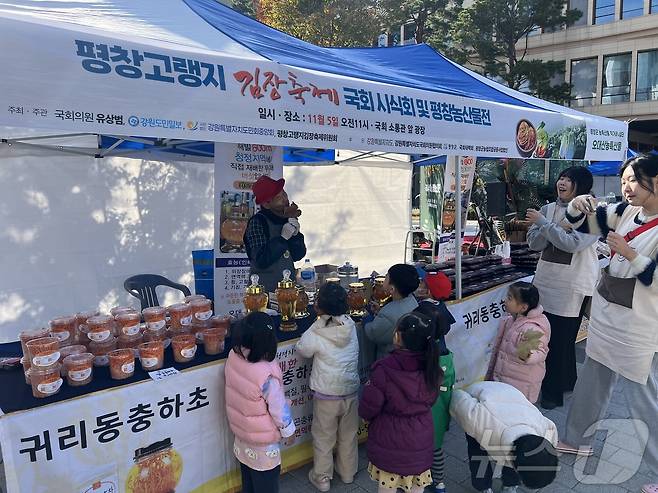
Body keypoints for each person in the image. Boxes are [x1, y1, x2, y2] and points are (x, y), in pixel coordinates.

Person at [557, 154, 658, 493]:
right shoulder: (625, 212)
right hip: (607, 319)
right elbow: (577, 224)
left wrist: (629, 254)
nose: (626, 187)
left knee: (644, 403)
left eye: (634, 180)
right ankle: (575, 439)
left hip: (640, 330)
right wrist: (577, 205)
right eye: (624, 180)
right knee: (592, 381)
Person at [525, 166, 599, 410]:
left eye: (569, 180)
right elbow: (534, 244)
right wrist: (553, 227)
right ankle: (566, 383)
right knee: (544, 336)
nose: (562, 182)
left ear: (582, 186)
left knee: (562, 341)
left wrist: (547, 225)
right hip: (546, 280)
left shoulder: (593, 213)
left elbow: (573, 244)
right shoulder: (547, 209)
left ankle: (553, 393)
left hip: (571, 285)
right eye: (561, 178)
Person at [359, 312, 442, 493]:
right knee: (416, 487)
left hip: (389, 439)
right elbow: (432, 399)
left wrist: (366, 418)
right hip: (421, 438)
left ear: (397, 336)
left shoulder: (384, 368)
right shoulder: (432, 366)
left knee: (387, 488)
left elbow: (369, 406)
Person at [295, 283, 360, 492]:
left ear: (319, 307)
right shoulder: (350, 325)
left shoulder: (317, 331)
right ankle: (348, 473)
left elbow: (302, 348)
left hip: (326, 395)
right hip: (349, 392)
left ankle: (322, 477)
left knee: (324, 437)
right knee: (348, 435)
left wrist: (317, 323)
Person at [224, 312, 295, 493]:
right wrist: (288, 431)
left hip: (242, 436)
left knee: (248, 482)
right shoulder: (266, 375)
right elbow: (279, 409)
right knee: (266, 485)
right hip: (263, 444)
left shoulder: (234, 356)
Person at [450, 381, 558, 493]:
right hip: (483, 397)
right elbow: (458, 399)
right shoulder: (479, 421)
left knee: (518, 461)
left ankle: (510, 486)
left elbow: (552, 432)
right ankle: (484, 487)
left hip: (512, 400)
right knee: (478, 456)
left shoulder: (545, 432)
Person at [414, 269, 456, 493]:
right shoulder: (442, 310)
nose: (419, 286)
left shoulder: (422, 311)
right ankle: (439, 482)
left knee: (423, 444)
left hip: (422, 418)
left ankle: (422, 480)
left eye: (423, 283)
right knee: (437, 444)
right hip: (441, 400)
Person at [486, 281, 550, 403]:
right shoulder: (511, 320)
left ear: (523, 307)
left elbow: (540, 351)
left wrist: (528, 354)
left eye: (510, 298)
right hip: (505, 380)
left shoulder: (532, 328)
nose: (505, 300)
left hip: (521, 387)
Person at [243, 175, 306, 293]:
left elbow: (298, 255)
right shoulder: (257, 222)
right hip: (264, 293)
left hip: (288, 289)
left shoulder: (287, 218)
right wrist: (282, 239)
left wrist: (296, 236)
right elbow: (260, 260)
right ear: (267, 204)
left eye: (284, 194)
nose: (285, 199)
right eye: (279, 197)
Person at [364, 264, 419, 360]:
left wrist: (367, 318)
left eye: (386, 278)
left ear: (392, 289)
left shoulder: (388, 315)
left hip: (390, 361)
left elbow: (374, 333)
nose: (384, 280)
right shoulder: (412, 300)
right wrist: (380, 312)